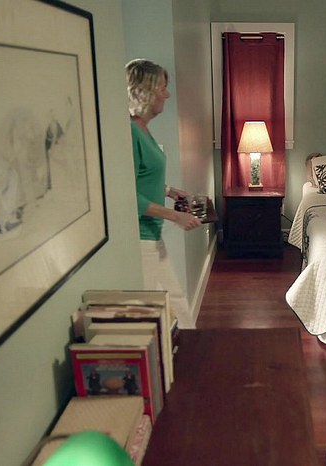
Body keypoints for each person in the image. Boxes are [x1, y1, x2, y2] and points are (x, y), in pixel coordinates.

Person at [126, 58, 201, 325]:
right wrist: (175, 216)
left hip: (151, 235)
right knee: (158, 314)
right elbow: (126, 195)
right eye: (162, 88)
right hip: (140, 240)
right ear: (145, 91)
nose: (167, 95)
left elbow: (140, 178)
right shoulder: (129, 133)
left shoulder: (142, 130)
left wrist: (169, 190)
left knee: (178, 304)